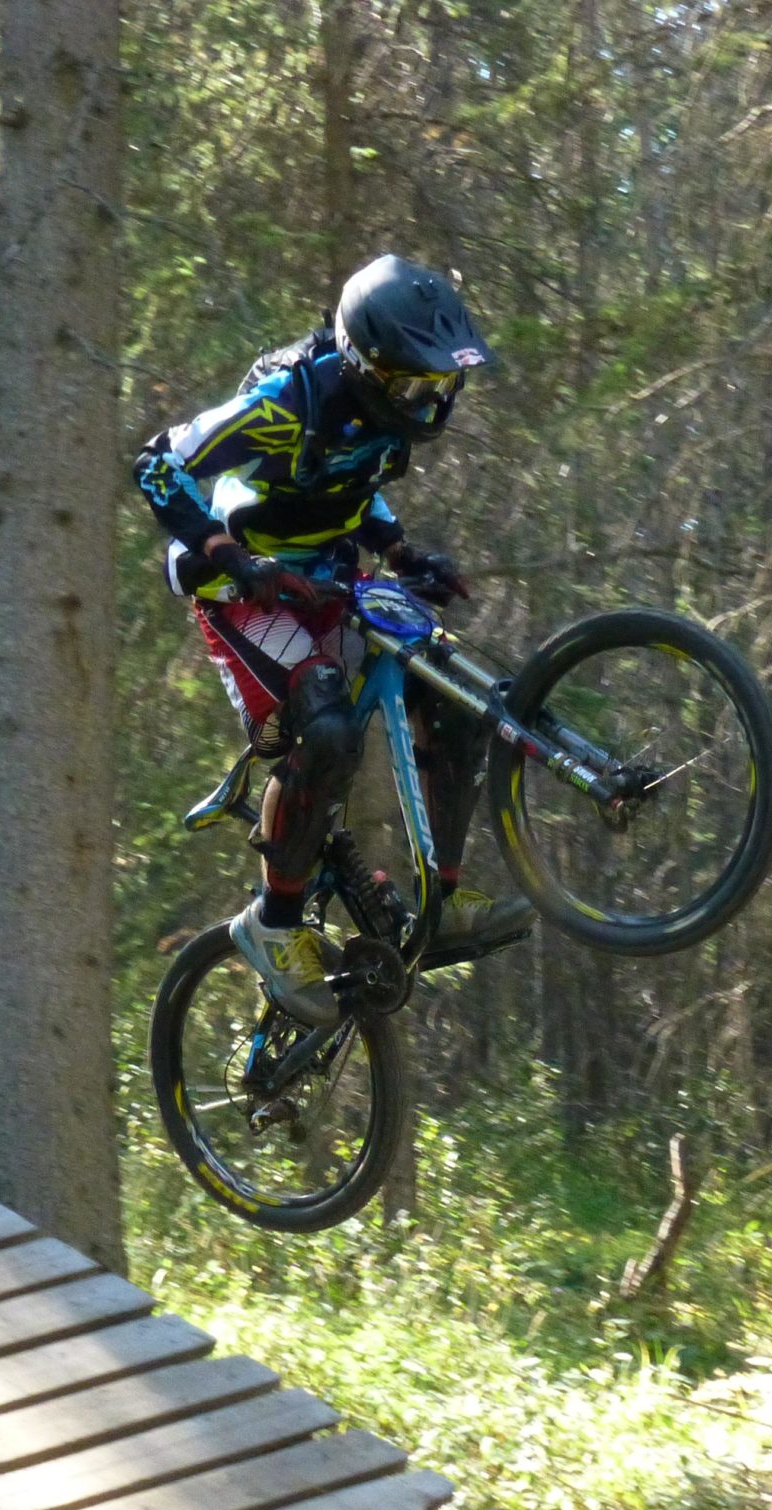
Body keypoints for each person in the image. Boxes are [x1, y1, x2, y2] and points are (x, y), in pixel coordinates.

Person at [134, 254, 533, 1025]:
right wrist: (231, 558)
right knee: (325, 722)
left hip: (328, 578)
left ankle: (441, 899)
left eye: (440, 384)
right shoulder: (284, 402)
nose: (432, 399)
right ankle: (273, 925)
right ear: (365, 364)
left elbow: (351, 484)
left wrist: (404, 552)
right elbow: (158, 464)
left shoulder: (377, 416)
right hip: (239, 592)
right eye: (416, 383)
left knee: (452, 696)